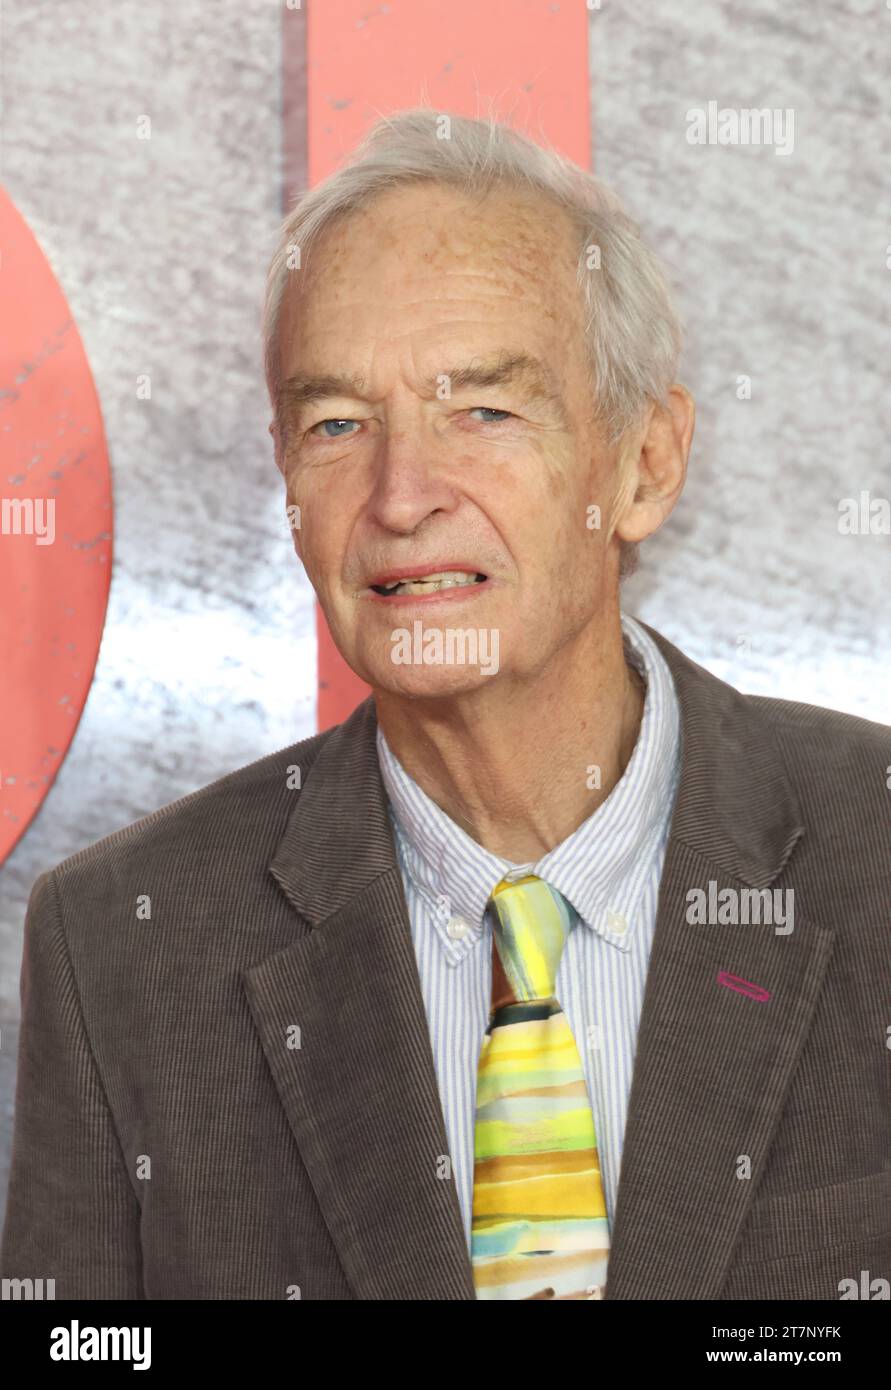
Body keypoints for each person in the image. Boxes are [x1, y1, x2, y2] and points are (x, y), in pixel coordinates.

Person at [2, 110, 889, 1301]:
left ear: (644, 464)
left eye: (484, 409)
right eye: (337, 424)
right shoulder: (121, 942)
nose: (403, 494)